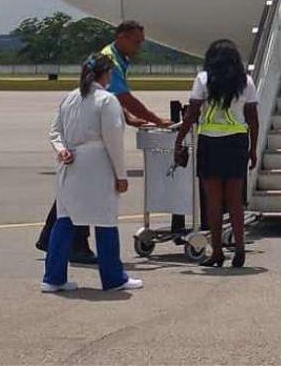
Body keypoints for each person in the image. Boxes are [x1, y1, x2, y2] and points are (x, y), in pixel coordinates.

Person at [36, 20, 169, 261]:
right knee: (89, 203)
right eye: (136, 41)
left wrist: (128, 118)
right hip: (91, 150)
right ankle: (81, 249)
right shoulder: (110, 60)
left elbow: (114, 99)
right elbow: (121, 98)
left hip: (74, 145)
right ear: (122, 37)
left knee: (70, 196)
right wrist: (154, 119)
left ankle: (50, 239)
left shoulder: (73, 96)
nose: (139, 47)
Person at [40, 54, 141, 292]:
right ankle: (113, 278)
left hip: (71, 164)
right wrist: (121, 174)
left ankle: (53, 277)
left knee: (65, 220)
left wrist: (62, 149)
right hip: (97, 165)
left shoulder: (70, 98)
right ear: (105, 74)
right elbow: (113, 140)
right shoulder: (107, 101)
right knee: (105, 219)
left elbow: (55, 131)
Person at [175, 39, 259, 268]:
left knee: (213, 201)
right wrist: (253, 148)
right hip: (237, 142)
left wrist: (179, 139)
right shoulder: (246, 82)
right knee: (234, 201)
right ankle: (240, 248)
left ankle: (217, 252)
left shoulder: (203, 79)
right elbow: (253, 117)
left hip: (210, 142)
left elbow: (192, 113)